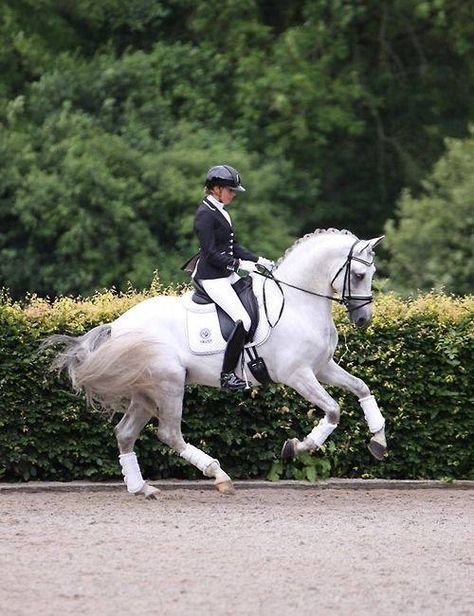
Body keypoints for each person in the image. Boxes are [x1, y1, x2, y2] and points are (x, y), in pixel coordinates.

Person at [192, 164, 273, 391]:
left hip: (226, 273)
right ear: (216, 189)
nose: (234, 194)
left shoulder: (221, 211)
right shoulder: (204, 214)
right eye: (230, 190)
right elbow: (210, 253)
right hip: (212, 278)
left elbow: (232, 246)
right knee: (243, 320)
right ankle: (227, 375)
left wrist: (257, 260)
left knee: (258, 295)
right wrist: (239, 265)